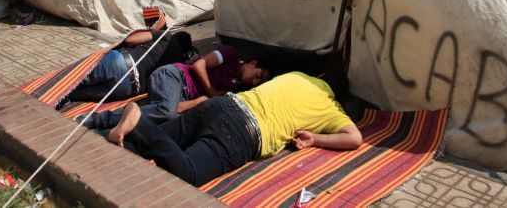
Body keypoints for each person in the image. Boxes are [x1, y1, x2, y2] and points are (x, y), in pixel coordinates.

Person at [103, 71, 362, 186]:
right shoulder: (332, 110)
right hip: (241, 133)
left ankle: (103, 137)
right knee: (188, 171)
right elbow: (354, 139)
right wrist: (316, 138)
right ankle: (140, 122)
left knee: (147, 145)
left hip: (223, 103)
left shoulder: (299, 76)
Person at [84, 44, 268, 128]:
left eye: (259, 82)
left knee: (164, 117)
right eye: (258, 75)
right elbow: (199, 65)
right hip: (174, 76)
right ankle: (97, 120)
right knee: (165, 111)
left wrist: (204, 100)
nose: (255, 81)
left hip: (182, 96)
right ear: (252, 63)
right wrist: (212, 94)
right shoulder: (231, 54)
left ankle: (94, 119)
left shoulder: (236, 87)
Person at [56, 29, 194, 108]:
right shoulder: (178, 64)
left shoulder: (166, 37)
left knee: (72, 80)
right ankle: (51, 103)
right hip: (128, 89)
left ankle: (44, 97)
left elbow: (130, 40)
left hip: (121, 63)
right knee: (74, 95)